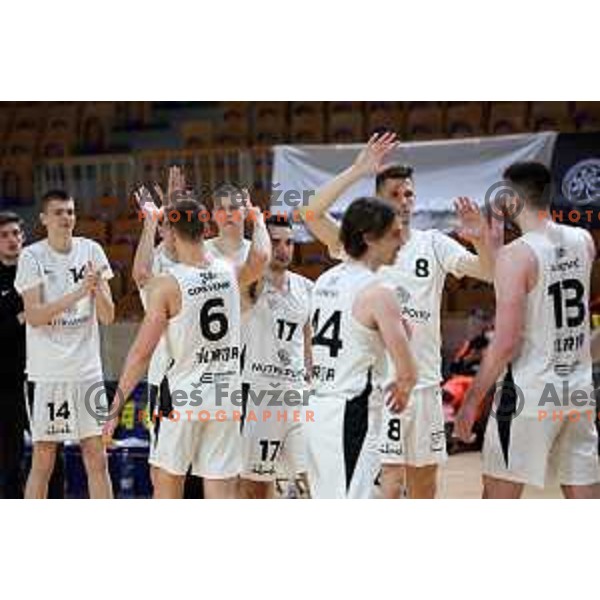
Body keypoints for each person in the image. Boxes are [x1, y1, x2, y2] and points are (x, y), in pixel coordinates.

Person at [299, 132, 502, 498]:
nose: (404, 201)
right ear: (377, 201)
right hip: (381, 389)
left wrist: (481, 242)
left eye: (408, 193)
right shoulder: (359, 248)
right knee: (388, 482)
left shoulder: (433, 243)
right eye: (394, 194)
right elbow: (311, 213)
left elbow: (488, 272)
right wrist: (358, 169)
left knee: (425, 483)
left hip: (423, 385)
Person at [104, 198, 270, 499]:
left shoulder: (166, 285)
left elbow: (141, 353)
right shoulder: (228, 270)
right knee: (221, 493)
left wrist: (114, 407)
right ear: (206, 228)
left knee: (167, 491)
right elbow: (260, 257)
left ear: (170, 231)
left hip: (183, 397)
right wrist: (257, 221)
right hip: (225, 397)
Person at [455, 162, 600, 499]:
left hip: (527, 393)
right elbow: (536, 278)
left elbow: (506, 342)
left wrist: (472, 400)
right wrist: (490, 244)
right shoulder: (584, 240)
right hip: (576, 390)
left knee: (498, 497)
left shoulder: (515, 255)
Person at [307, 196, 417, 499]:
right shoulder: (379, 293)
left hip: (317, 409)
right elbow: (407, 370)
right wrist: (404, 387)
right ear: (369, 237)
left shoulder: (324, 280)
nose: (402, 240)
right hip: (350, 414)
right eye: (394, 234)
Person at [15, 190, 115, 499]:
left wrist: (97, 289)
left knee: (97, 458)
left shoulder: (92, 250)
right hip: (48, 374)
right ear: (44, 219)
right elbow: (33, 316)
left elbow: (109, 317)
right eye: (58, 212)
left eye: (70, 212)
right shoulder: (31, 256)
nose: (66, 218)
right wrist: (79, 291)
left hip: (87, 372)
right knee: (43, 458)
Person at [238, 215, 313, 499]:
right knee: (256, 485)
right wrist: (257, 226)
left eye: (290, 242)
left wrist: (310, 371)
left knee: (307, 477)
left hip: (296, 394)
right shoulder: (249, 284)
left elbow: (308, 334)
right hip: (258, 395)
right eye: (276, 242)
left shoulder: (307, 287)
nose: (284, 249)